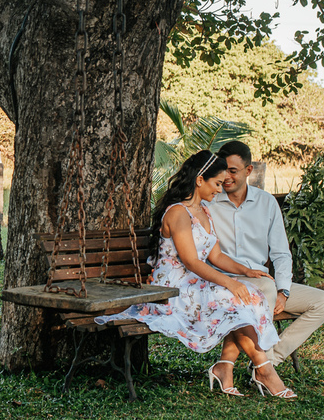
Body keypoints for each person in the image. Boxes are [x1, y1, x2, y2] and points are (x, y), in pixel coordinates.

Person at [95, 149, 296, 398]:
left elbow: (217, 257)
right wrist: (230, 283)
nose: (220, 190)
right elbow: (190, 261)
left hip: (194, 281)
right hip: (172, 286)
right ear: (200, 179)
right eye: (217, 184)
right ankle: (263, 371)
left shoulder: (205, 211)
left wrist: (246, 271)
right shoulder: (178, 213)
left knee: (249, 295)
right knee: (234, 297)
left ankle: (232, 369)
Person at [208, 140, 324, 370]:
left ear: (249, 171)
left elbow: (281, 253)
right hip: (226, 283)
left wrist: (283, 291)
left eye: (233, 171)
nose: (226, 176)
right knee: (264, 287)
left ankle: (269, 361)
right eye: (223, 170)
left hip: (263, 283)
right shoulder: (209, 202)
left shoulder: (266, 202)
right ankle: (264, 369)